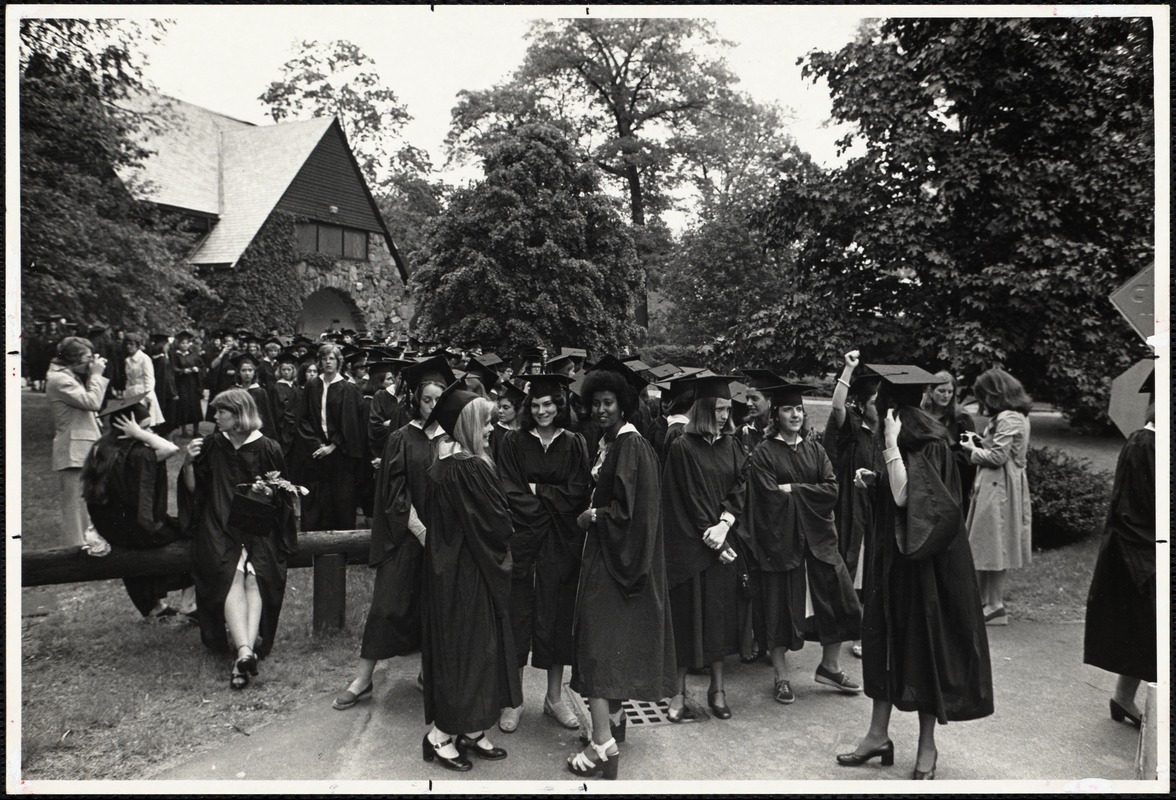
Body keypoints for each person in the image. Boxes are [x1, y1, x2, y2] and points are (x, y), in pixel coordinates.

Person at [837, 365, 992, 780]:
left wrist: (888, 447)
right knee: (884, 638)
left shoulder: (923, 438)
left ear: (890, 404)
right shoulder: (908, 430)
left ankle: (927, 747)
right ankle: (877, 736)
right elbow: (898, 489)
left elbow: (911, 499)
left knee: (922, 647)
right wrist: (875, 481)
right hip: (893, 561)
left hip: (924, 566)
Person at [567, 358, 676, 780]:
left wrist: (592, 516)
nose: (600, 410)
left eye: (608, 402)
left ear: (624, 404)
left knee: (598, 651)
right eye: (595, 403)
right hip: (608, 560)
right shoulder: (612, 442)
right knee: (607, 647)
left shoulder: (630, 447)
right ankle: (609, 725)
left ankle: (602, 748)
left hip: (615, 564)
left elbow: (631, 515)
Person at [333, 356, 452, 711]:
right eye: (427, 398)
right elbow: (395, 493)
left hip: (442, 539)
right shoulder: (402, 437)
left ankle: (427, 674)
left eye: (438, 399)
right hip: (406, 537)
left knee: (437, 608)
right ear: (416, 398)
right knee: (387, 605)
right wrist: (420, 530)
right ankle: (363, 679)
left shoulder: (453, 439)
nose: (432, 405)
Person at [420, 385, 520, 772]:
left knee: (469, 650)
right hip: (470, 574)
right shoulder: (472, 468)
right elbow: (496, 526)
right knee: (470, 650)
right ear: (467, 425)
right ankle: (440, 736)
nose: (493, 428)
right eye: (486, 422)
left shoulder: (444, 464)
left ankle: (471, 729)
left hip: (451, 571)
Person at [745, 383, 862, 707]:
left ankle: (830, 666)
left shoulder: (814, 448)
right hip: (783, 541)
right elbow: (769, 498)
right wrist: (804, 492)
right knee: (780, 608)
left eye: (798, 409)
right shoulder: (764, 452)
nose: (795, 414)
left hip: (820, 540)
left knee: (840, 600)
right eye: (787, 409)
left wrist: (793, 489)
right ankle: (781, 676)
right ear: (776, 415)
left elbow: (832, 490)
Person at [179, 388, 298, 690]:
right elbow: (196, 493)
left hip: (259, 526)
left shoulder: (268, 447)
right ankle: (246, 650)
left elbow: (283, 498)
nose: (215, 417)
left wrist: (269, 493)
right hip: (219, 524)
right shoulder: (210, 446)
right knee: (232, 573)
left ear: (239, 414)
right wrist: (188, 464)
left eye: (221, 412)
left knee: (254, 578)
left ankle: (242, 654)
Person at [495, 374, 591, 734]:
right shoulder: (513, 443)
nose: (541, 411)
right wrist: (550, 499)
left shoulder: (575, 443)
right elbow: (508, 489)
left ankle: (553, 699)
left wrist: (539, 491)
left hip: (561, 543)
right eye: (535, 405)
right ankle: (513, 700)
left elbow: (578, 491)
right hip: (524, 539)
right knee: (518, 615)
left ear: (559, 405)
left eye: (548, 404)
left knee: (557, 617)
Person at [660, 375, 746, 722]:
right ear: (703, 409)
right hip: (691, 548)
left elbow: (741, 484)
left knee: (719, 619)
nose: (724, 416)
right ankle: (678, 693)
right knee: (686, 620)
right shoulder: (682, 446)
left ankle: (718, 689)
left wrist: (725, 523)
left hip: (722, 542)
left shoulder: (733, 445)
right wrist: (711, 537)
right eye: (718, 409)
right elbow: (685, 498)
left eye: (727, 409)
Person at [1083, 368, 1156, 728]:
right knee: (1148, 625)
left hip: (1146, 546)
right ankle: (1124, 698)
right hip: (1139, 549)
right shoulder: (1143, 444)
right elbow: (1134, 508)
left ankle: (1122, 698)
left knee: (1148, 630)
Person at [81, 393, 195, 619]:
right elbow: (171, 448)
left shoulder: (101, 448)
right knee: (191, 535)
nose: (150, 432)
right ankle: (189, 605)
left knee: (135, 556)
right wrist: (139, 434)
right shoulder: (141, 453)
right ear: (127, 428)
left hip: (111, 530)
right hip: (140, 529)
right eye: (144, 427)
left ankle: (155, 607)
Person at [961, 367, 1033, 626]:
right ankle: (987, 601)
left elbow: (998, 458)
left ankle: (995, 604)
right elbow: (1002, 450)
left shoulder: (1008, 418)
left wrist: (972, 450)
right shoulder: (1016, 416)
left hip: (999, 486)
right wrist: (980, 441)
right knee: (989, 541)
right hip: (999, 483)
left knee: (994, 541)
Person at [823, 350, 882, 659]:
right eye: (874, 402)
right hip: (849, 502)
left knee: (874, 564)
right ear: (861, 403)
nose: (879, 407)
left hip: (874, 504)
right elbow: (836, 405)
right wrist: (848, 369)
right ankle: (844, 624)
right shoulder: (852, 425)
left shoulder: (883, 431)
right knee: (848, 560)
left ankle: (867, 629)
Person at [47, 337, 111, 552]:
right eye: (87, 358)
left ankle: (89, 544)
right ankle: (75, 550)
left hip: (82, 446)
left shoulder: (70, 376)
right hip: (73, 449)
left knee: (87, 500)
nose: (91, 363)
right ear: (73, 359)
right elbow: (92, 402)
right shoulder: (59, 379)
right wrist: (96, 376)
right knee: (75, 504)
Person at [296, 343, 367, 531]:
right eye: (325, 358)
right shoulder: (312, 385)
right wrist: (316, 444)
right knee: (318, 502)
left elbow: (350, 424)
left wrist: (333, 445)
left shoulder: (347, 388)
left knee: (341, 501)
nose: (328, 362)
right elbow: (303, 418)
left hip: (340, 454)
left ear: (339, 362)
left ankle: (342, 551)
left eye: (332, 358)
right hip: (317, 452)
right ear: (320, 361)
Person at [921, 370, 977, 517]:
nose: (946, 396)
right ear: (930, 391)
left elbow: (969, 451)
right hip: (927, 475)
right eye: (941, 391)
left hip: (954, 477)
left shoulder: (962, 417)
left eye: (950, 392)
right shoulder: (921, 415)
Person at [123, 332, 166, 428]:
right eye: (127, 344)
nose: (129, 346)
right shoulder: (128, 360)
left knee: (143, 420)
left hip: (142, 392)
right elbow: (128, 379)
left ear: (137, 345)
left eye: (132, 344)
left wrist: (148, 394)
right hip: (131, 393)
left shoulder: (144, 359)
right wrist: (126, 393)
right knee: (132, 421)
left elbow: (149, 377)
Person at [170, 331, 205, 438]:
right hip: (182, 385)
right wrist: (182, 371)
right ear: (178, 344)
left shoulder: (194, 355)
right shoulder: (175, 355)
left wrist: (197, 369)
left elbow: (202, 367)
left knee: (195, 407)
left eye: (186, 343)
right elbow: (173, 369)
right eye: (182, 343)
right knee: (183, 407)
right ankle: (184, 431)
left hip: (193, 385)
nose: (184, 345)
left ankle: (196, 431)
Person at [489, 380, 524, 462]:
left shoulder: (524, 430)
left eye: (505, 407)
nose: (500, 411)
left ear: (517, 409)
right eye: (499, 407)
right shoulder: (493, 431)